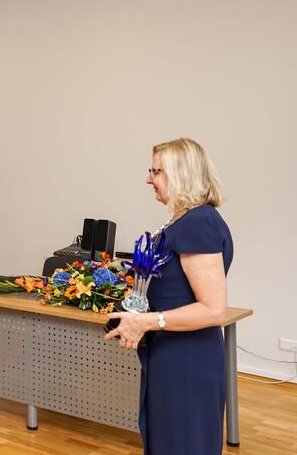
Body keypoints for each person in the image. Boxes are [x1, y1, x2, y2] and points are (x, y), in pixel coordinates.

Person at [105, 137, 232, 455]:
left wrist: (147, 322)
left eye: (156, 171)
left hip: (186, 360)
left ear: (180, 174)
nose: (149, 179)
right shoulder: (187, 220)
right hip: (173, 354)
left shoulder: (198, 223)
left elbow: (214, 309)